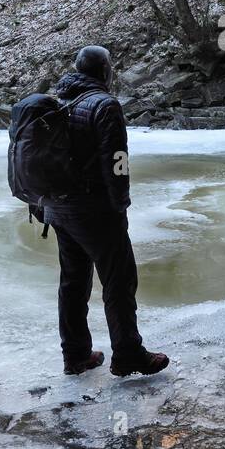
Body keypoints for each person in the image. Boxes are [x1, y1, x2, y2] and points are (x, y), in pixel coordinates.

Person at [44, 45, 169, 377]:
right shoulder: (105, 105)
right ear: (104, 71)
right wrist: (120, 203)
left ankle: (75, 355)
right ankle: (127, 354)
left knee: (73, 282)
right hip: (94, 210)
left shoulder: (57, 101)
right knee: (118, 281)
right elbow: (117, 162)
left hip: (57, 209)